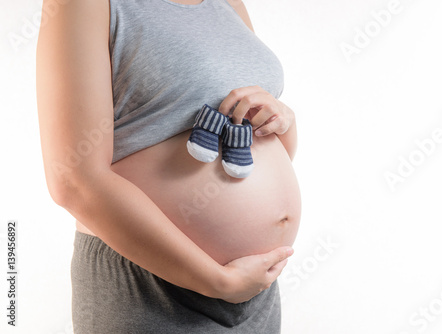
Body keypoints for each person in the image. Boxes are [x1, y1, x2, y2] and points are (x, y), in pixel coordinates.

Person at [36, 0, 301, 332]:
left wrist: (281, 120)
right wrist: (218, 281)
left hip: (256, 292)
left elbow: (252, 146)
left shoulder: (228, 3)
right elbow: (73, 179)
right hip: (151, 285)